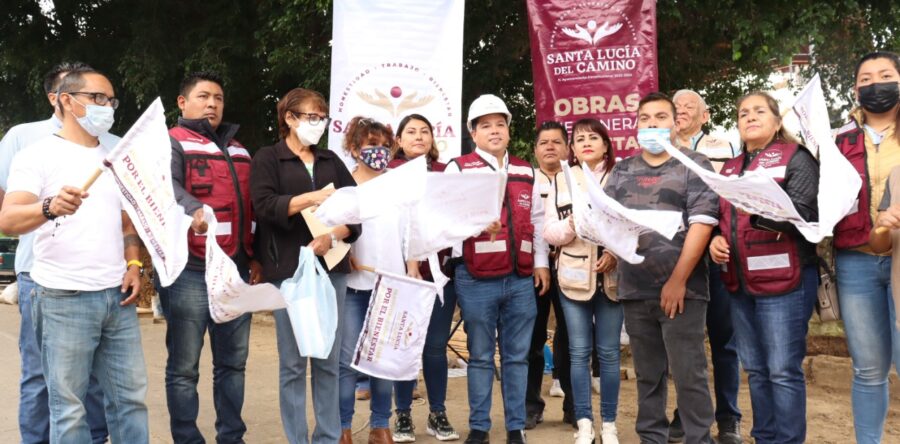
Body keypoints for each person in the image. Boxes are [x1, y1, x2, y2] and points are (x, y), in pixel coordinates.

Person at [0, 66, 149, 443]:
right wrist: (48, 207)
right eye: (97, 98)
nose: (106, 107)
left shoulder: (117, 156)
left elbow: (127, 220)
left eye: (111, 100)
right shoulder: (36, 154)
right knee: (68, 408)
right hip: (62, 297)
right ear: (65, 100)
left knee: (130, 401)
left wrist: (134, 263)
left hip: (117, 296)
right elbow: (9, 219)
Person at [604, 92, 717, 444]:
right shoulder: (621, 170)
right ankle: (651, 437)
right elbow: (608, 221)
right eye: (645, 118)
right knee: (647, 375)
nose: (652, 124)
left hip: (683, 291)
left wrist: (678, 280)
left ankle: (699, 438)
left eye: (660, 117)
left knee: (689, 374)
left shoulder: (695, 164)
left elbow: (703, 223)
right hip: (634, 289)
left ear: (675, 124)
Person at [250, 87, 361, 444]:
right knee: (293, 363)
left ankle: (327, 436)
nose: (318, 123)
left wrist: (332, 236)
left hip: (331, 269)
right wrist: (311, 197)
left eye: (322, 118)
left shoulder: (330, 161)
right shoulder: (269, 158)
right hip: (289, 273)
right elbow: (264, 206)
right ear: (290, 118)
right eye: (311, 117)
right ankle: (296, 438)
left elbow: (355, 214)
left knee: (328, 359)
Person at [709, 91, 819, 443]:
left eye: (759, 111)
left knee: (782, 371)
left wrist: (760, 209)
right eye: (743, 113)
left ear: (776, 120)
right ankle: (765, 437)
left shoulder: (796, 157)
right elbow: (719, 219)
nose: (750, 117)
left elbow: (806, 213)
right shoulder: (729, 167)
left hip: (785, 282)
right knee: (755, 370)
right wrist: (715, 239)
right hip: (739, 283)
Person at [445, 94, 551, 444]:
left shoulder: (525, 170)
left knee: (517, 358)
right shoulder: (459, 168)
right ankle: (480, 427)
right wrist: (475, 224)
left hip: (520, 279)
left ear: (509, 130)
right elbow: (444, 219)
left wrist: (541, 264)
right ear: (472, 133)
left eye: (500, 124)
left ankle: (515, 427)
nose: (494, 130)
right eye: (486, 125)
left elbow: (536, 220)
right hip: (475, 277)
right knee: (479, 356)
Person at [161, 71, 261, 444]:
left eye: (218, 98)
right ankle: (187, 438)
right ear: (182, 102)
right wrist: (193, 209)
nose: (212, 104)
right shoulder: (171, 142)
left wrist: (255, 256)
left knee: (233, 364)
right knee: (184, 368)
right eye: (203, 96)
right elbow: (165, 186)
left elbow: (254, 205)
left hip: (235, 270)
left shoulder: (240, 150)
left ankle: (231, 437)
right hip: (189, 269)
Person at [832, 50, 900, 444]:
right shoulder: (838, 138)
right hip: (856, 260)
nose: (876, 85)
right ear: (856, 89)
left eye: (886, 75)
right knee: (868, 369)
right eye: (866, 79)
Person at [542, 118, 623, 444]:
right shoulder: (562, 179)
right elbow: (549, 231)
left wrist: (614, 252)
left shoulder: (620, 176)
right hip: (573, 276)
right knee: (578, 352)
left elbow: (632, 228)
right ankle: (584, 423)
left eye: (593, 137)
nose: (586, 142)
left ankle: (610, 425)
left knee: (610, 354)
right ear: (572, 148)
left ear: (606, 144)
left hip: (612, 277)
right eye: (579, 138)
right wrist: (572, 225)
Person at [671, 89, 742, 444]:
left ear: (706, 115)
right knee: (685, 344)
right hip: (676, 258)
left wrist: (717, 236)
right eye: (676, 106)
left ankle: (729, 418)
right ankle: (685, 415)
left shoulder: (725, 148)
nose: (681, 111)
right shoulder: (661, 149)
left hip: (716, 255)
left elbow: (733, 200)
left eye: (690, 106)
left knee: (724, 341)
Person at [389, 114, 460, 442]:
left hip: (440, 275)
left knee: (434, 347)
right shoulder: (387, 173)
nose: (418, 136)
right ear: (399, 140)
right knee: (405, 346)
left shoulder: (447, 173)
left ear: (432, 138)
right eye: (411, 132)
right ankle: (402, 414)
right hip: (400, 275)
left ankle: (437, 413)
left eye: (424, 131)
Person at [338, 116, 402, 444]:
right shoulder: (342, 187)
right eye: (371, 145)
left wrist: (412, 268)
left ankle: (380, 426)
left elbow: (412, 232)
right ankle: (342, 428)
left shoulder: (398, 186)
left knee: (383, 362)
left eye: (384, 145)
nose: (379, 151)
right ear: (353, 148)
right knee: (347, 361)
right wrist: (342, 252)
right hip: (352, 286)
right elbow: (329, 229)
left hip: (390, 285)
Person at [525, 121, 575, 430]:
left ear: (567, 148)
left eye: (557, 142)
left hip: (573, 268)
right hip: (534, 269)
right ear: (535, 150)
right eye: (544, 142)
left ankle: (574, 406)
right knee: (532, 338)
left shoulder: (578, 179)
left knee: (570, 339)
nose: (550, 147)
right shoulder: (526, 179)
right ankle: (531, 406)